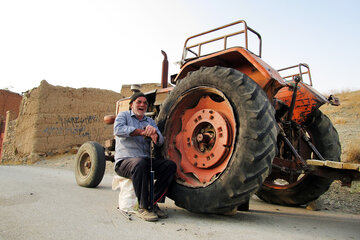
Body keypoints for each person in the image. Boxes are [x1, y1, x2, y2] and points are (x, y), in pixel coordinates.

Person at [113, 92, 177, 222]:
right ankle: (143, 207)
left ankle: (152, 202)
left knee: (170, 166)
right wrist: (141, 132)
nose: (142, 105)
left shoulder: (150, 121)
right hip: (125, 162)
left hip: (143, 162)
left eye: (145, 103)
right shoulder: (123, 116)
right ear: (131, 105)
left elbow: (160, 141)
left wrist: (155, 135)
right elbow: (118, 130)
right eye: (139, 102)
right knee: (140, 163)